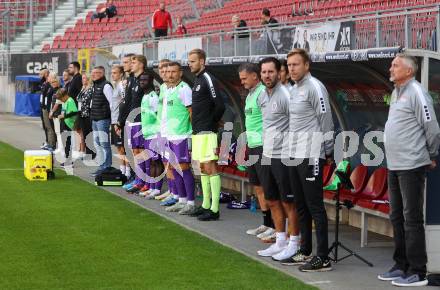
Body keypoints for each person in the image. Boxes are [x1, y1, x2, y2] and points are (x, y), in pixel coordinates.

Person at [379, 53, 440, 287]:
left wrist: (430, 154)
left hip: (411, 164)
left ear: (409, 71)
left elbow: (432, 127)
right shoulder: (396, 93)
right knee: (396, 216)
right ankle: (401, 264)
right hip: (394, 164)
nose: (390, 69)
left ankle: (418, 271)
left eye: (395, 65)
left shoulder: (417, 92)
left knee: (411, 218)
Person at [280, 48, 333, 272]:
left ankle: (323, 257)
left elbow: (326, 120)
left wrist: (328, 150)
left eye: (296, 64)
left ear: (307, 65)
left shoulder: (315, 87)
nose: (292, 69)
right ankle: (305, 250)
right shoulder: (293, 89)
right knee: (300, 205)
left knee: (315, 206)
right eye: (289, 65)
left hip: (311, 154)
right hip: (294, 154)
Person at [255, 57, 300, 262]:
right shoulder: (262, 95)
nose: (267, 76)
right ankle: (280, 241)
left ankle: (294, 243)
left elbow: (297, 124)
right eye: (264, 72)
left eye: (270, 72)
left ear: (279, 73)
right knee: (272, 199)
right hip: (267, 154)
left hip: (284, 156)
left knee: (288, 202)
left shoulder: (286, 95)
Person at [238, 63, 275, 241]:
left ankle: (275, 227)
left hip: (263, 146)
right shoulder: (250, 95)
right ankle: (266, 223)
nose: (242, 82)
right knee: (258, 187)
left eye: (245, 78)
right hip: (253, 145)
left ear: (255, 76)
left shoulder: (262, 94)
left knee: (268, 188)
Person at [187, 49, 225, 221]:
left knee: (210, 167)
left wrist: (213, 122)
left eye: (193, 61)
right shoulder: (197, 80)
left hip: (207, 131)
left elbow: (220, 105)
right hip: (197, 131)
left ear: (202, 61)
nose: (190, 64)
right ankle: (205, 205)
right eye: (189, 61)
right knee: (202, 168)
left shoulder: (208, 78)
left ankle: (215, 209)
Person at [157, 62, 195, 215]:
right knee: (172, 167)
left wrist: (191, 132)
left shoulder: (184, 89)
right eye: (168, 72)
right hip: (168, 134)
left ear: (180, 73)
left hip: (180, 135)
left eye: (174, 72)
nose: (170, 74)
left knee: (183, 168)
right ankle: (181, 200)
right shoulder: (167, 89)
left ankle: (191, 202)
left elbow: (191, 111)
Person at [124, 55, 150, 194]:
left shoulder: (144, 79)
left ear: (141, 64)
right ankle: (139, 180)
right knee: (135, 152)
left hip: (141, 120)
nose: (131, 64)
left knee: (142, 152)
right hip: (132, 120)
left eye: (134, 62)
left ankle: (145, 181)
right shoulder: (133, 79)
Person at [139, 72, 163, 198]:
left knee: (157, 162)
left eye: (145, 79)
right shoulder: (145, 96)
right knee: (152, 162)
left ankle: (157, 189)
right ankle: (152, 187)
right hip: (147, 134)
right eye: (141, 80)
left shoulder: (153, 97)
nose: (142, 82)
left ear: (151, 81)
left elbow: (158, 117)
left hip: (154, 135)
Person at [90, 66, 113, 176]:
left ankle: (106, 167)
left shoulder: (106, 85)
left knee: (104, 144)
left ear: (101, 73)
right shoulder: (95, 85)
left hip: (103, 119)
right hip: (95, 119)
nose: (92, 75)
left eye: (95, 73)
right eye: (92, 73)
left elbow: (112, 104)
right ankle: (101, 166)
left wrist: (113, 120)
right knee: (97, 143)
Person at [110, 65, 130, 179]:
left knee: (123, 147)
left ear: (121, 74)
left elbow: (124, 103)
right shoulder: (116, 85)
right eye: (112, 72)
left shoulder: (122, 85)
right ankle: (122, 170)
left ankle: (126, 172)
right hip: (114, 119)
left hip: (119, 120)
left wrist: (119, 121)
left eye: (115, 73)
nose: (113, 74)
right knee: (118, 147)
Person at [56, 88, 80, 165]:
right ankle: (66, 159)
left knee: (68, 143)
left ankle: (69, 161)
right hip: (64, 123)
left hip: (69, 124)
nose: (61, 100)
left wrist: (64, 116)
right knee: (65, 142)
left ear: (65, 96)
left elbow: (74, 112)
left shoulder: (70, 101)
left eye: (61, 99)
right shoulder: (65, 101)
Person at [76, 74, 94, 159]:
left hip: (87, 114)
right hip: (81, 113)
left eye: (84, 78)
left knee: (88, 134)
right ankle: (85, 152)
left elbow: (89, 101)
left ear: (88, 79)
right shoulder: (83, 88)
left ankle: (90, 153)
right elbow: (78, 98)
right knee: (83, 133)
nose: (82, 80)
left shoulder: (91, 89)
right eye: (82, 78)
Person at [39, 69, 56, 151]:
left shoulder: (51, 87)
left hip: (48, 109)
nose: (47, 78)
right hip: (44, 107)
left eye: (49, 76)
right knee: (47, 127)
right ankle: (49, 143)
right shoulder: (46, 84)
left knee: (50, 127)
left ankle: (51, 144)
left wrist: (49, 110)